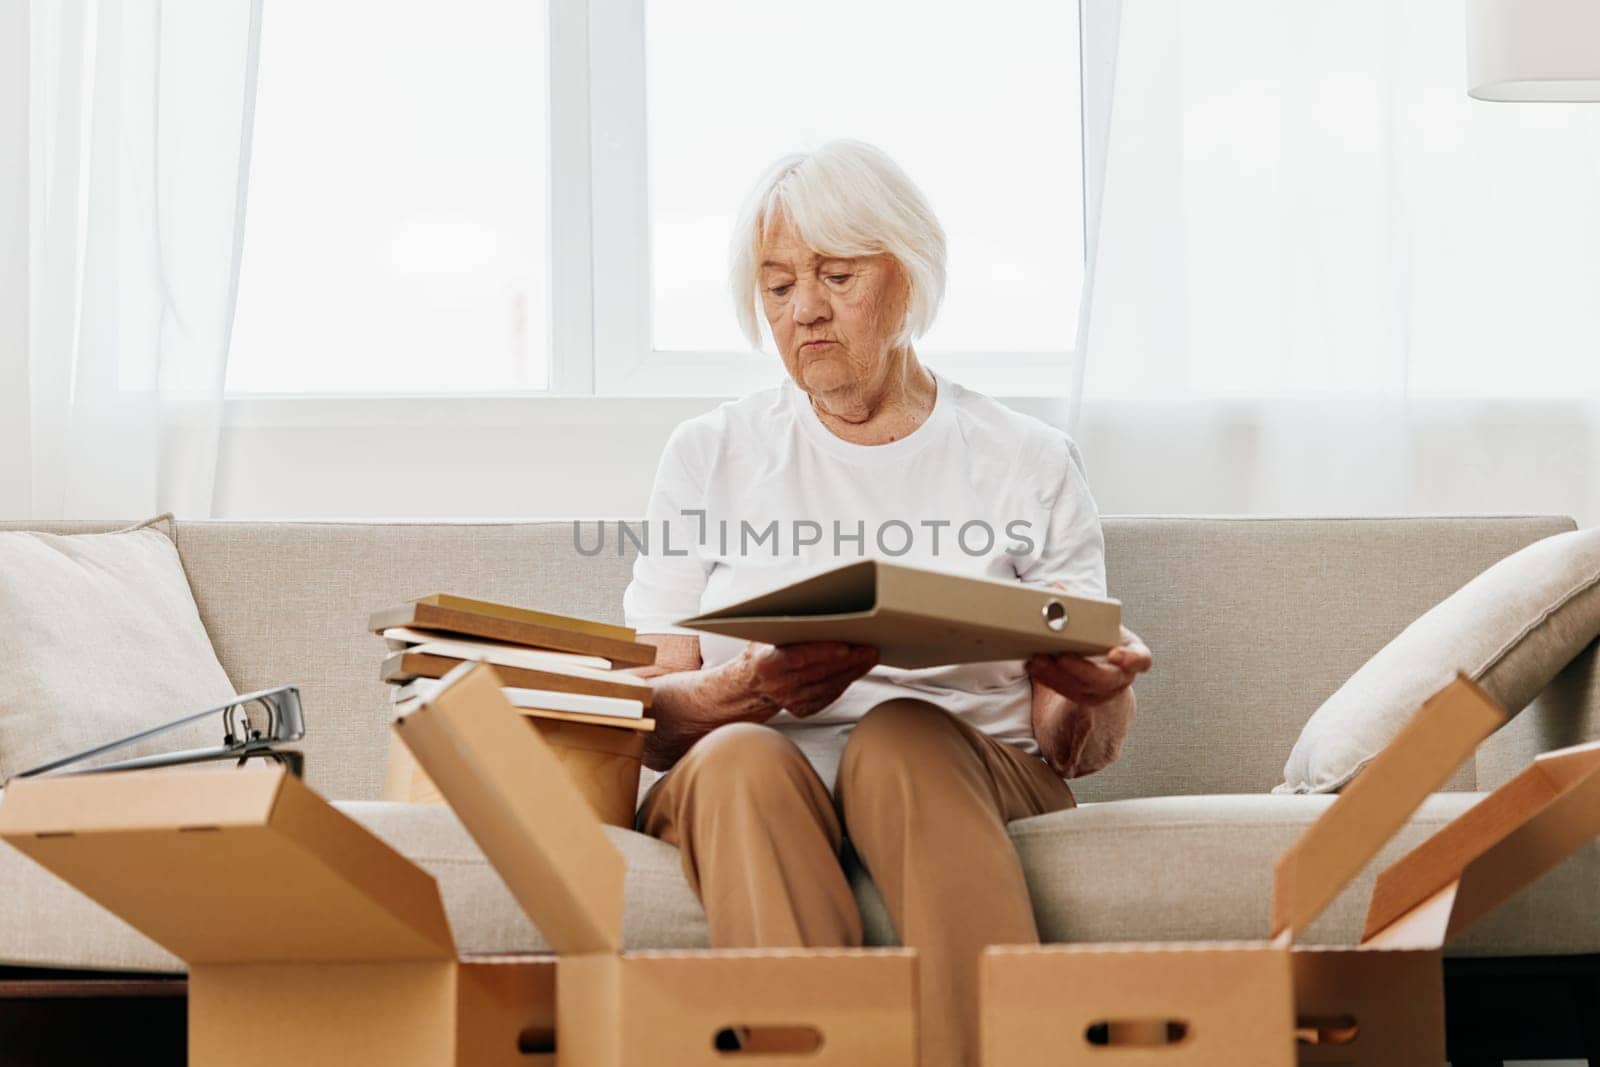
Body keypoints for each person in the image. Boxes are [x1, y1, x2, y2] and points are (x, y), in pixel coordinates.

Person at [622, 139, 1153, 1067]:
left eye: (835, 274)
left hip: (964, 767)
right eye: (778, 285)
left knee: (901, 733)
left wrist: (1093, 688)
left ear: (911, 278)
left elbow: (1077, 747)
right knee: (742, 758)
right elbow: (648, 721)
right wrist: (749, 687)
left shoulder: (1026, 458)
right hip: (746, 764)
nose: (805, 310)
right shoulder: (709, 453)